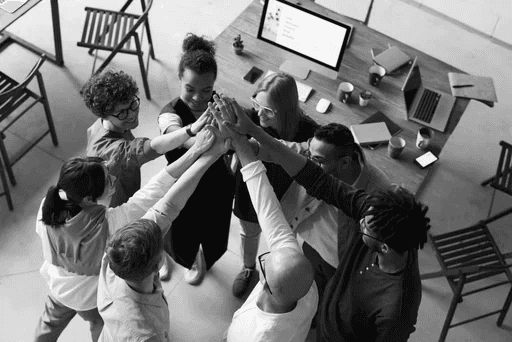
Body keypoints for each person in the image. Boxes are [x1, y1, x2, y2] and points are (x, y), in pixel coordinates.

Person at [215, 97, 431, 342]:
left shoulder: (398, 308)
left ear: (383, 246)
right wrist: (250, 133)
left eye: (365, 226)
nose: (360, 220)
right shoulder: (376, 211)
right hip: (328, 304)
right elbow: (317, 179)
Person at [34, 129, 213, 342]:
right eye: (108, 180)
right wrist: (196, 151)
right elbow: (156, 188)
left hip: (57, 285)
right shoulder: (112, 224)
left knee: (48, 324)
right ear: (90, 199)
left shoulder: (49, 206)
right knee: (99, 325)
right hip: (88, 298)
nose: (113, 179)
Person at [97, 126, 229, 341]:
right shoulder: (147, 333)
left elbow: (169, 206)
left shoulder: (115, 256)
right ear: (159, 263)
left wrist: (211, 154)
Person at [82, 69, 209, 280]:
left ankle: (166, 254)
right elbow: (151, 148)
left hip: (126, 195)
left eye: (133, 104)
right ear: (104, 114)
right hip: (117, 209)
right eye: (122, 112)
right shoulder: (109, 150)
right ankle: (159, 256)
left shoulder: (100, 126)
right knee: (151, 224)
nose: (131, 114)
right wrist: (191, 130)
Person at [258, 123, 390, 308]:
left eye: (318, 161)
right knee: (312, 287)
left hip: (338, 262)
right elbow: (283, 149)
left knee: (332, 297)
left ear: (344, 162)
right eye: (310, 157)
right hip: (311, 244)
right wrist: (250, 144)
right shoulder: (317, 155)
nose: (309, 165)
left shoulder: (378, 193)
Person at [218, 106, 318, 342]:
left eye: (264, 264)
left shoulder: (262, 337)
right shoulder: (304, 286)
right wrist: (241, 143)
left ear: (266, 286)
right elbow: (267, 206)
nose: (267, 255)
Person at [231, 72, 319, 298]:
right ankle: (248, 267)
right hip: (251, 189)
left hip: (286, 194)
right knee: (248, 232)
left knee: (281, 241)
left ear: (287, 112)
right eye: (256, 104)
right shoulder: (251, 117)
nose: (259, 114)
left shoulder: (308, 131)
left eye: (268, 111)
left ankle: (274, 278)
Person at [157, 33, 235, 285]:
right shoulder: (169, 115)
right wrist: (203, 139)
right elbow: (181, 139)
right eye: (190, 89)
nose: (198, 97)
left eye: (206, 90)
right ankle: (170, 256)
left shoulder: (221, 105)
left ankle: (201, 258)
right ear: (179, 78)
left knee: (214, 228)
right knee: (179, 228)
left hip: (216, 181)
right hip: (182, 181)